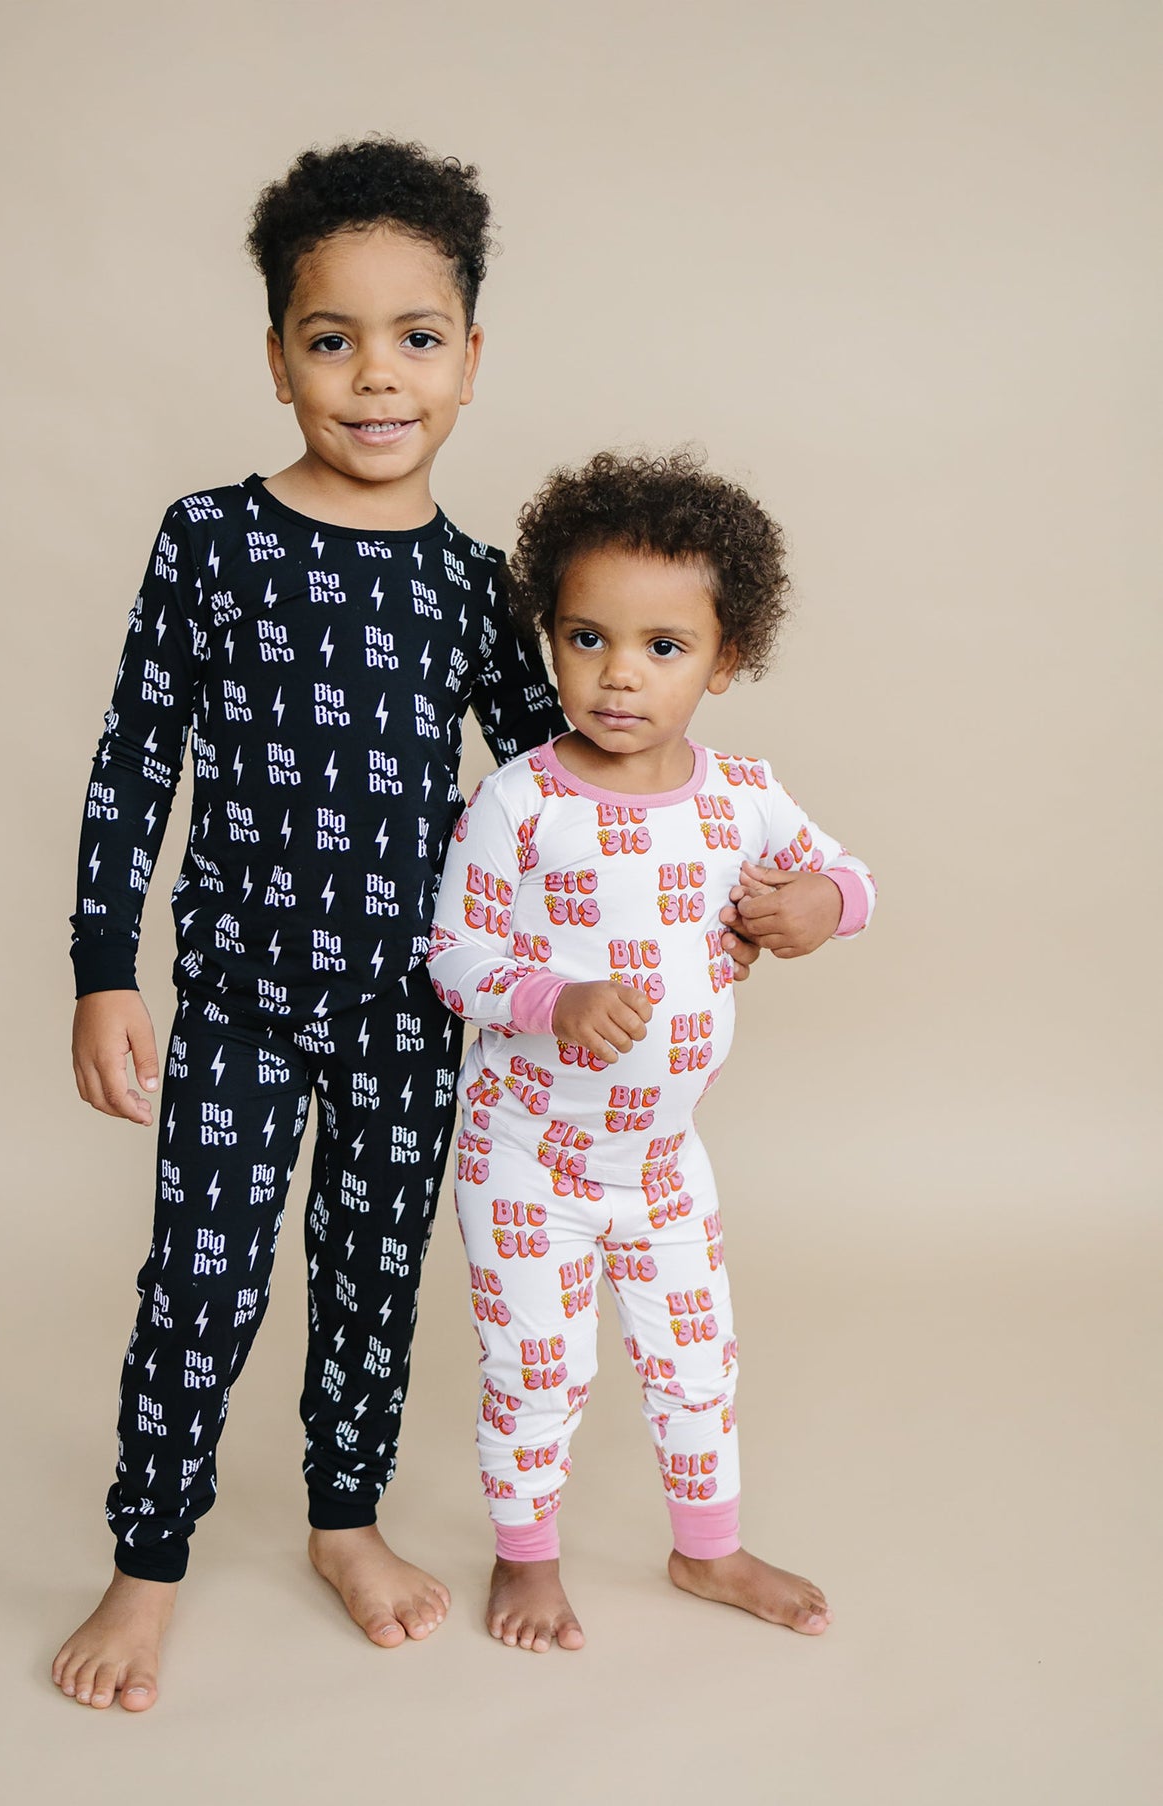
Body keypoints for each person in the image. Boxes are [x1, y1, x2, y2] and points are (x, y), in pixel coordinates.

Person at [51, 141, 764, 1713]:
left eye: (416, 337)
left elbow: (574, 780)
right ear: (278, 357)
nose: (376, 375)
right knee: (202, 1285)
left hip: (415, 1008)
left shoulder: (474, 586)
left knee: (371, 1276)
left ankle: (343, 1520)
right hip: (237, 997)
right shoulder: (210, 538)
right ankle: (146, 1564)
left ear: (469, 360)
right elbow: (133, 755)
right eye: (333, 338)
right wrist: (108, 966)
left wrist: (725, 895)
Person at [428, 449, 875, 1652]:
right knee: (538, 1369)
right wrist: (551, 996)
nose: (618, 674)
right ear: (548, 638)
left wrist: (821, 904)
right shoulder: (520, 802)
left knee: (696, 1361)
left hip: (664, 1164)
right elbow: (452, 956)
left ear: (725, 659)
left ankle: (706, 1551)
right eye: (586, 639)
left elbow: (848, 875)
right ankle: (525, 1558)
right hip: (528, 1163)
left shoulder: (741, 797)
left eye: (662, 647)